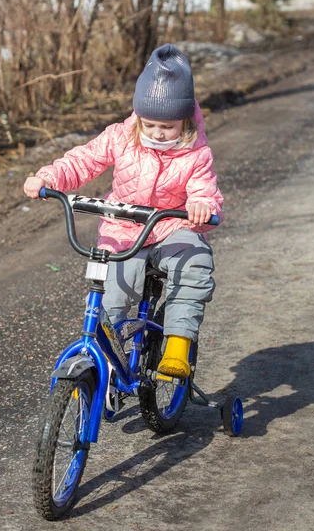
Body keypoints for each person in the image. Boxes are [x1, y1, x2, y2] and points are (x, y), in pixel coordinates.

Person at [24, 44, 223, 379]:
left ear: (185, 120)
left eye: (168, 127)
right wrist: (48, 177)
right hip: (123, 231)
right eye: (150, 124)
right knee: (109, 294)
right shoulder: (121, 137)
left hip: (170, 227)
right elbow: (84, 160)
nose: (158, 133)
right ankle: (109, 362)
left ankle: (177, 345)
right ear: (138, 117)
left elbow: (204, 188)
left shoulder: (196, 153)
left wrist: (201, 205)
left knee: (195, 261)